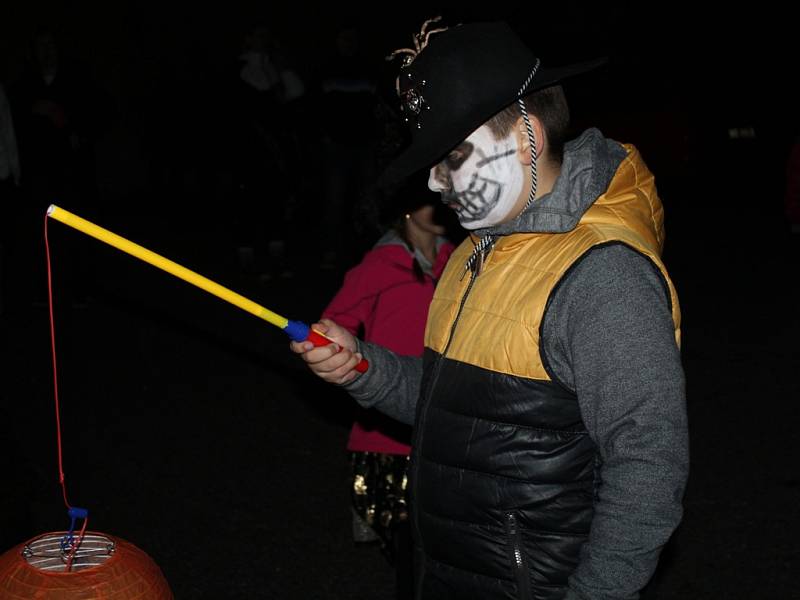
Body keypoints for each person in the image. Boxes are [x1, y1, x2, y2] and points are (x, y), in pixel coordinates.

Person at [291, 18, 688, 600]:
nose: (431, 181)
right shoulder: (472, 252)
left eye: (452, 153)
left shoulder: (604, 277)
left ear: (525, 130)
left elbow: (649, 466)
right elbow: (454, 406)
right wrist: (364, 368)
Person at [322, 174, 455, 599]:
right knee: (404, 543)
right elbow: (337, 321)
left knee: (443, 537)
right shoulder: (380, 265)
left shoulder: (457, 257)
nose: (439, 208)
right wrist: (333, 350)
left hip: (438, 413)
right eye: (426, 201)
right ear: (405, 209)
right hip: (388, 431)